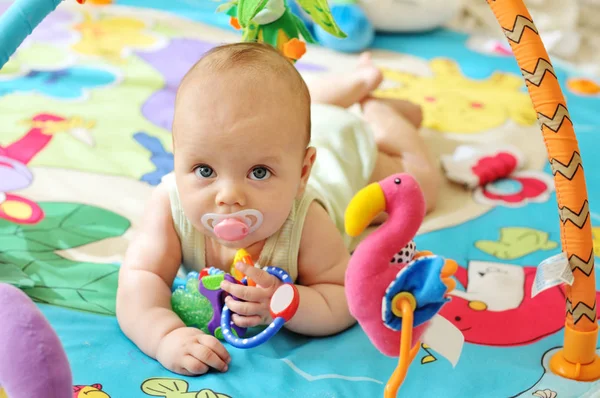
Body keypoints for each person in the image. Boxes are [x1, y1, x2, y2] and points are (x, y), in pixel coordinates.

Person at [116, 41, 439, 377]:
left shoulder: (307, 220)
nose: (228, 197)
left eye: (259, 172)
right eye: (204, 170)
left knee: (421, 188)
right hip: (288, 130)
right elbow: (140, 278)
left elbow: (343, 297)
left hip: (342, 147)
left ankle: (379, 112)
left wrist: (287, 303)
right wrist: (165, 335)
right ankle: (345, 88)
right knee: (289, 110)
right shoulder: (170, 206)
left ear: (302, 174)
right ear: (176, 156)